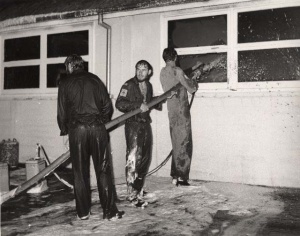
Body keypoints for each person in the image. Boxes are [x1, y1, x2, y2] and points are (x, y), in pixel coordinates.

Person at [57, 54, 124, 220]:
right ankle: (109, 211)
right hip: (97, 129)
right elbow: (107, 107)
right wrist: (101, 122)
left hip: (77, 131)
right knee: (103, 170)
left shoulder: (65, 83)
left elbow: (61, 112)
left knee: (79, 173)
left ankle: (83, 212)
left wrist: (66, 130)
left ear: (70, 66)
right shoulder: (95, 79)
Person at [115, 60, 161, 207]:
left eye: (144, 70)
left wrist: (163, 98)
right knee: (133, 159)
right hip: (133, 125)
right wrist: (136, 105)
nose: (140, 72)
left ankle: (139, 188)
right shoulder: (128, 85)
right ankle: (131, 194)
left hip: (145, 124)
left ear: (149, 72)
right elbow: (120, 103)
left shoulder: (149, 85)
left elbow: (147, 102)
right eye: (138, 69)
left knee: (145, 157)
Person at [160, 48, 199, 186]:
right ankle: (182, 177)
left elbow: (177, 81)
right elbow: (191, 89)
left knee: (176, 143)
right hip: (182, 111)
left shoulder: (163, 72)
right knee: (185, 142)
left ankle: (175, 176)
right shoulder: (178, 71)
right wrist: (194, 81)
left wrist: (192, 70)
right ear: (175, 57)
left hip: (172, 111)